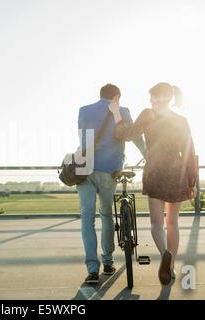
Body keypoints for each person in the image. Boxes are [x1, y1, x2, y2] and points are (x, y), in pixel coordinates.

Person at [109, 82, 198, 286]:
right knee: (172, 222)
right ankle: (172, 267)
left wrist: (116, 113)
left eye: (151, 98)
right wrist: (192, 180)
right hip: (177, 172)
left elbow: (126, 134)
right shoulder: (181, 120)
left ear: (157, 98)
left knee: (156, 223)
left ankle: (164, 252)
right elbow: (189, 152)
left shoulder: (148, 114)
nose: (150, 102)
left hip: (156, 170)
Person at [77, 83, 147, 284]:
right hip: (110, 169)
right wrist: (146, 154)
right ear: (116, 97)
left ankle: (92, 270)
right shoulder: (122, 111)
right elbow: (135, 137)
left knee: (87, 218)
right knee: (106, 215)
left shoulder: (84, 110)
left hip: (85, 169)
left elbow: (83, 137)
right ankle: (107, 262)